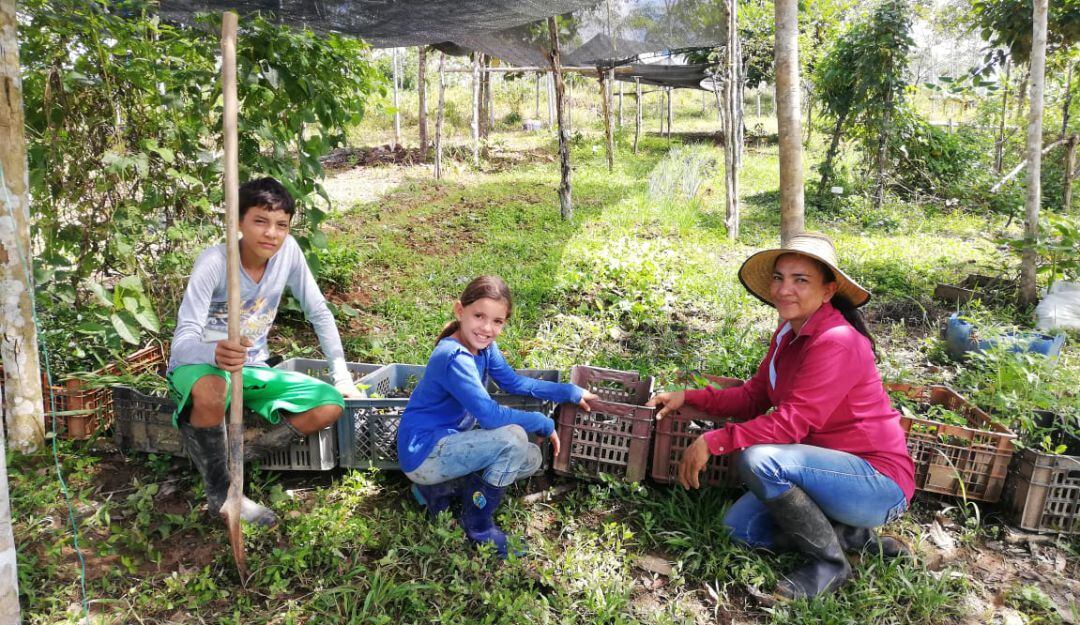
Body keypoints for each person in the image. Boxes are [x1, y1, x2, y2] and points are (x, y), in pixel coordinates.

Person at [647, 233, 915, 600]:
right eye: (779, 277)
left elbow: (792, 423)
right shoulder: (788, 333)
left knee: (759, 459)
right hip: (823, 472)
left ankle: (829, 564)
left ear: (827, 290)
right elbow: (755, 396)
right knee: (739, 531)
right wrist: (687, 397)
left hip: (877, 482)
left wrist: (713, 441)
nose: (784, 289)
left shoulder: (838, 341)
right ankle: (850, 534)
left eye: (800, 280)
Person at [167, 177, 361, 527]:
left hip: (253, 367)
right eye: (260, 221)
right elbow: (182, 343)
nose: (271, 233)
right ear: (239, 222)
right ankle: (222, 492)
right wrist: (214, 353)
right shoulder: (215, 262)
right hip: (200, 366)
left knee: (330, 403)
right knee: (214, 388)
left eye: (281, 225)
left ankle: (231, 455)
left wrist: (342, 375)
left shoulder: (288, 253)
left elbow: (317, 311)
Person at [397, 275, 598, 558]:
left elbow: (515, 383)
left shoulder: (484, 348)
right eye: (479, 316)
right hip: (425, 453)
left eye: (497, 321)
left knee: (530, 457)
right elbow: (490, 416)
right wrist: (541, 422)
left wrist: (569, 392)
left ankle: (437, 491)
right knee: (513, 438)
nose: (487, 328)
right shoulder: (454, 357)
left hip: (450, 445)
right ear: (460, 311)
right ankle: (477, 526)